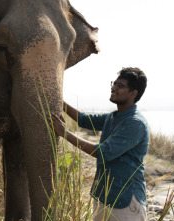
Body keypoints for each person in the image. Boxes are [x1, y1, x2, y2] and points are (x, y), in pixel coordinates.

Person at [52, 67, 149, 221]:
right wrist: (59, 101)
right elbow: (83, 119)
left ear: (133, 93)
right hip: (103, 196)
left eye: (120, 86)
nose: (113, 88)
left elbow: (102, 152)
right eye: (114, 84)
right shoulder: (113, 117)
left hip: (125, 203)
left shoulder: (135, 123)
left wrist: (65, 134)